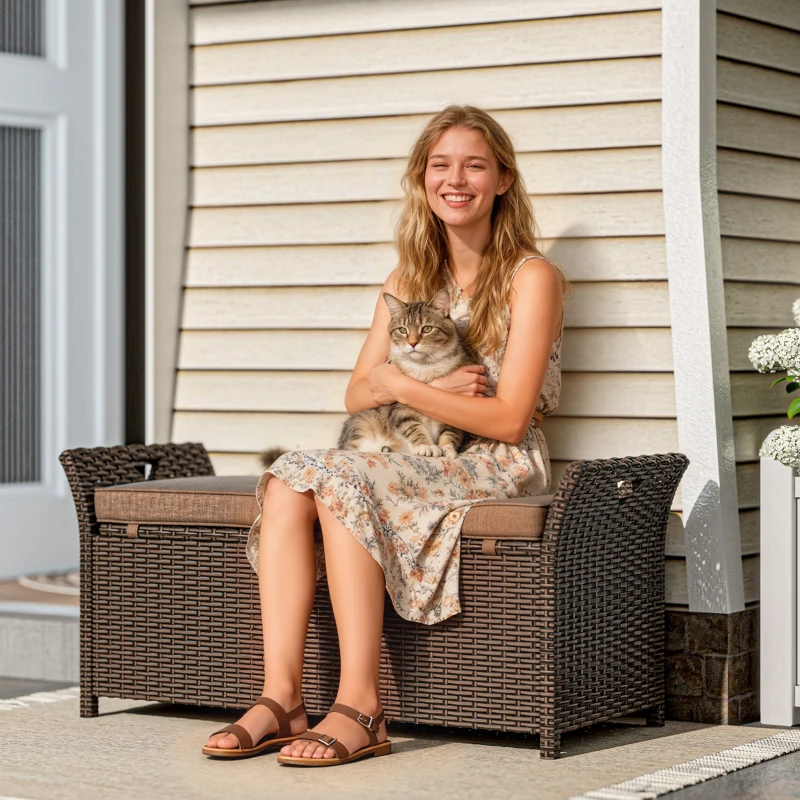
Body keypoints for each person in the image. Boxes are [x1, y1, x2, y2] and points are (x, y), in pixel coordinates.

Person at [203, 104, 569, 766]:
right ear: (421, 180)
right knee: (289, 478)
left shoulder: (530, 276)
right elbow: (356, 391)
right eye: (441, 165)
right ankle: (282, 696)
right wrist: (417, 389)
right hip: (408, 451)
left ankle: (363, 707)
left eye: (475, 165)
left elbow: (510, 417)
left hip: (495, 461)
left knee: (342, 477)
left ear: (504, 181)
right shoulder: (407, 281)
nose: (456, 179)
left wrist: (402, 384)